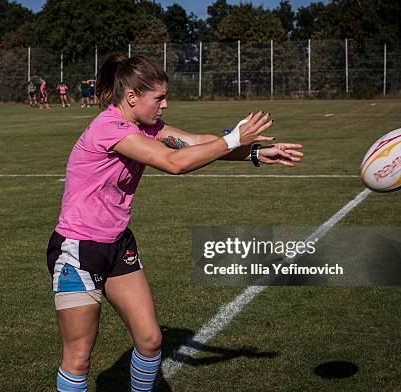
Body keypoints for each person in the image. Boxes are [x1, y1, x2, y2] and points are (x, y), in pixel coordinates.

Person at [46, 52, 304, 391]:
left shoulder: (149, 127)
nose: (165, 105)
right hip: (78, 248)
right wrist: (234, 138)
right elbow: (173, 163)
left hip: (118, 243)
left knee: (151, 340)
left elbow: (195, 144)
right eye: (160, 97)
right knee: (79, 355)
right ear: (133, 97)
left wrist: (254, 152)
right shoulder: (109, 127)